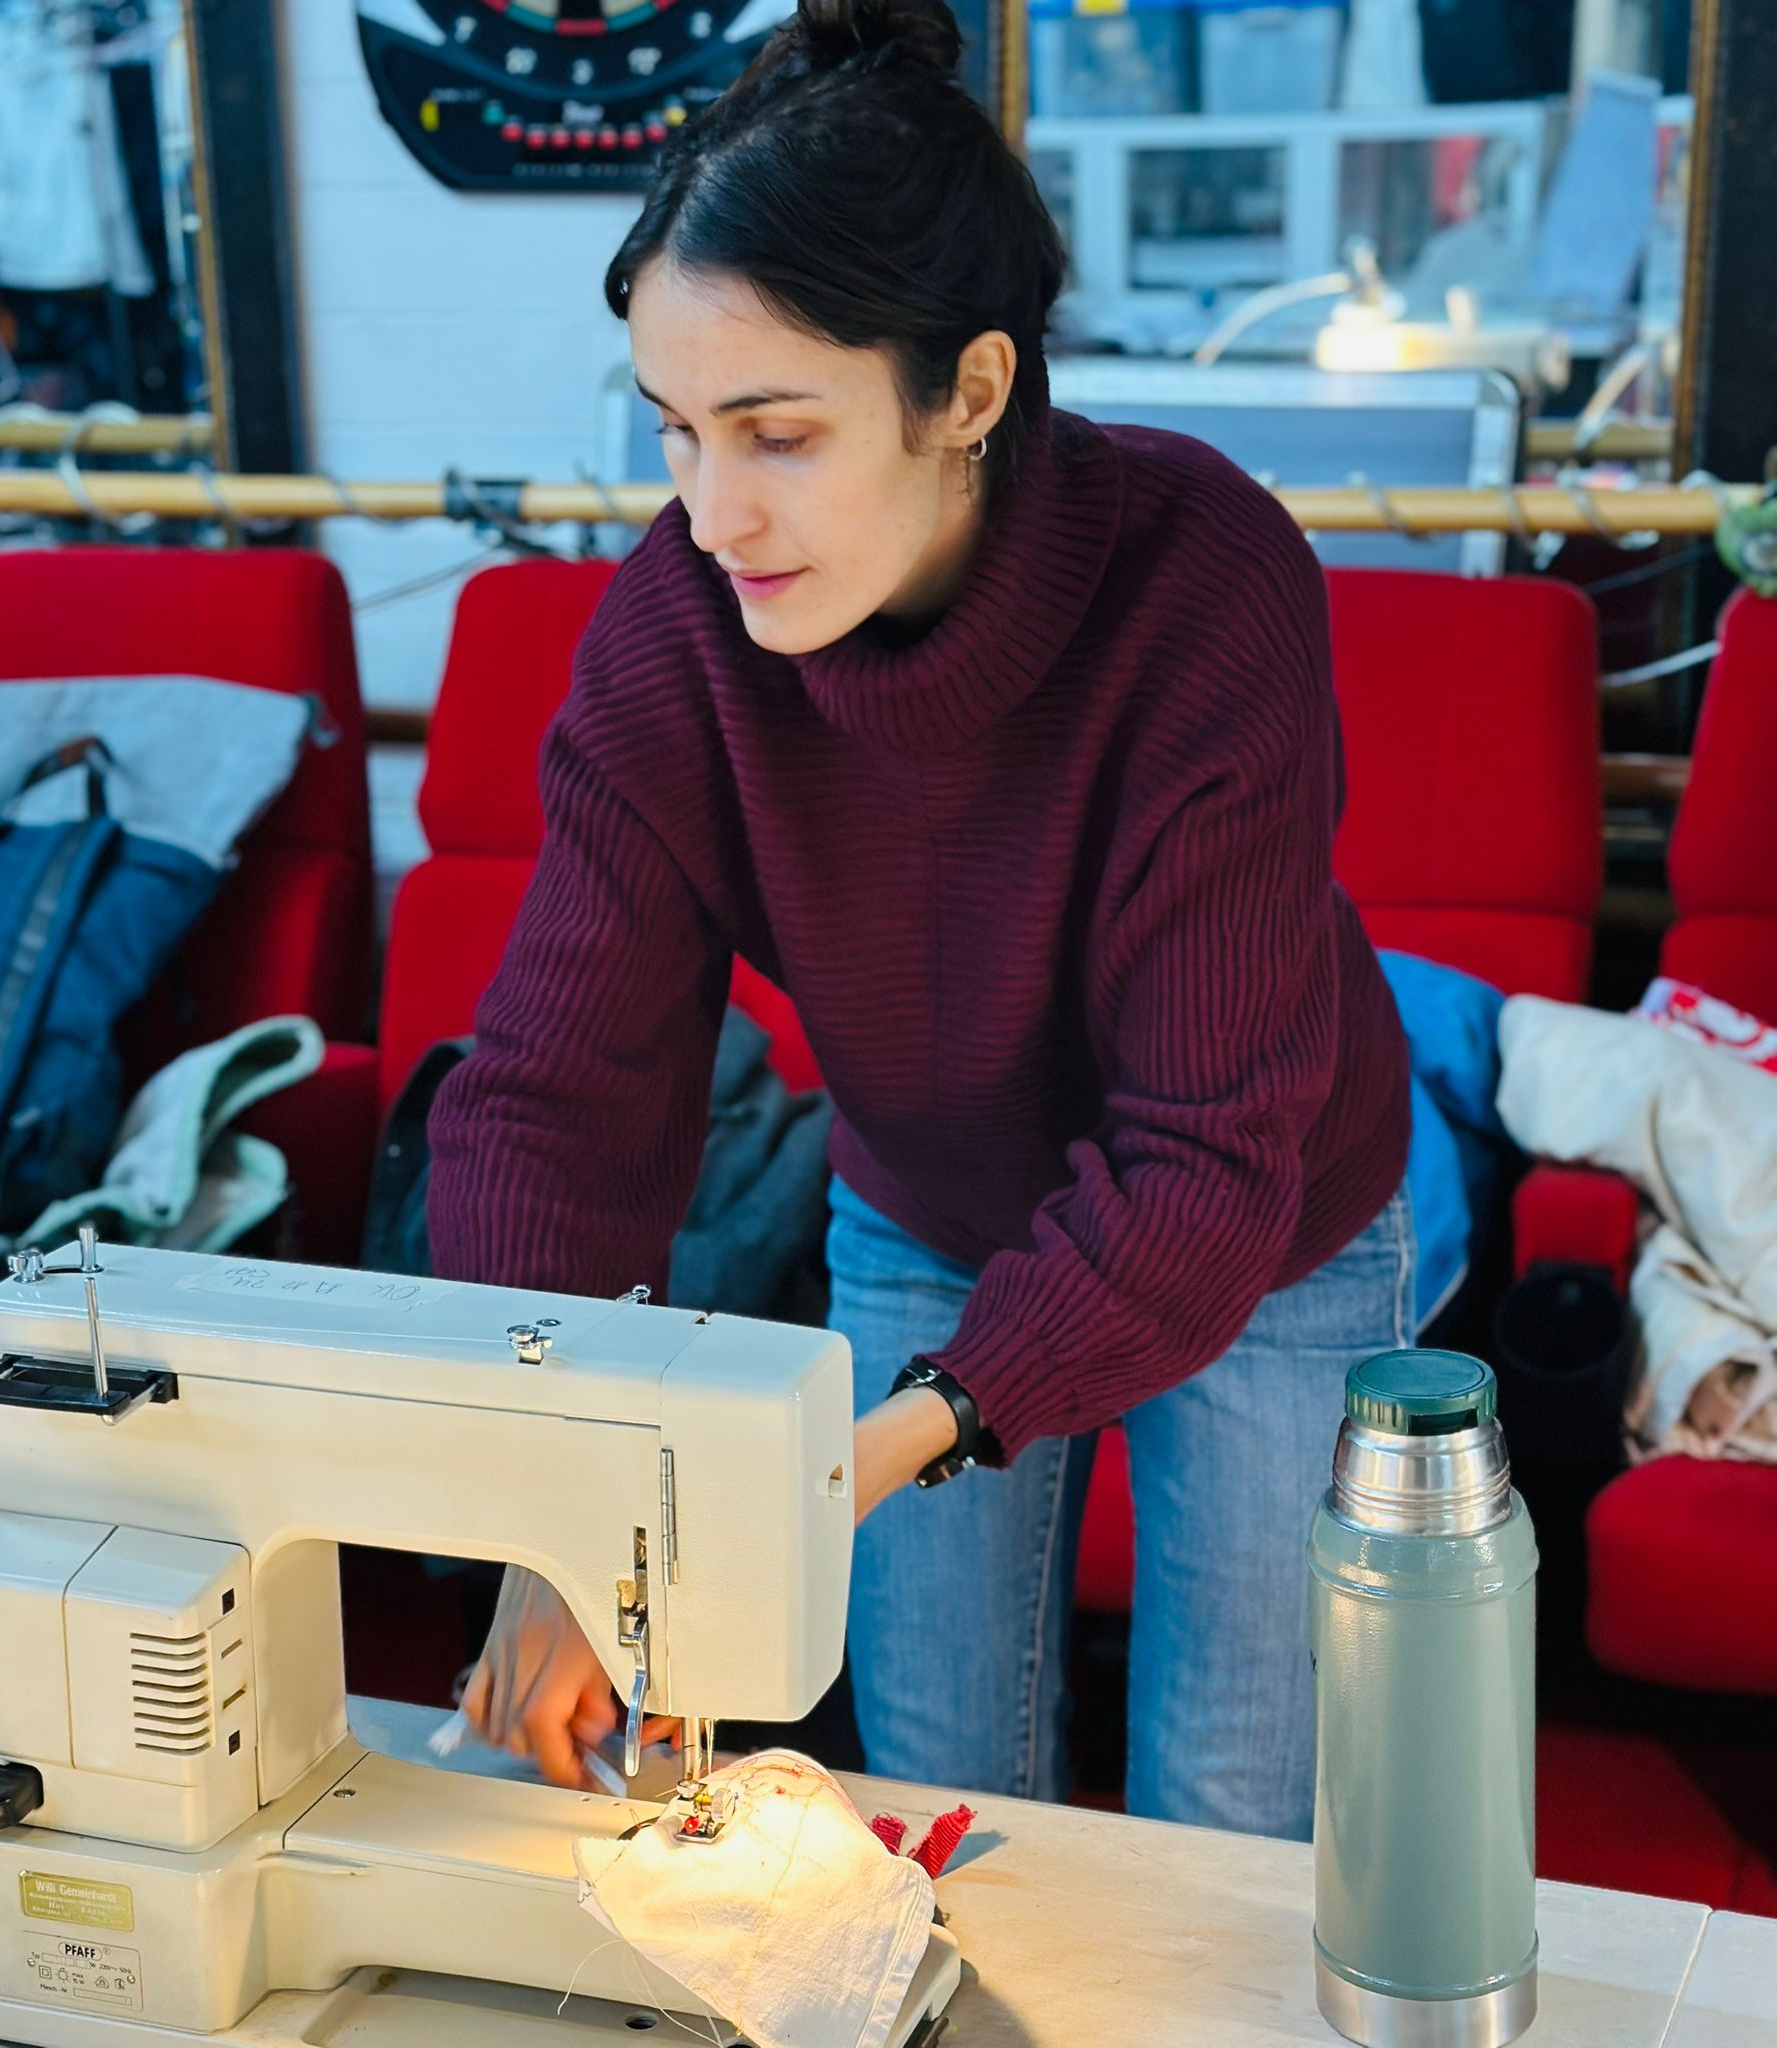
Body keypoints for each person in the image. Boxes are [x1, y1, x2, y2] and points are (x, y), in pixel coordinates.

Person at [427, 0, 1413, 1837]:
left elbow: (1206, 1164)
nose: (713, 516)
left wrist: (858, 1451)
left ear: (967, 391)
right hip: (929, 1202)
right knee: (944, 1797)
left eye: (779, 435)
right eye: (677, 434)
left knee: (1231, 1822)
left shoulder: (1205, 582)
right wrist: (555, 1507)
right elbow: (559, 1098)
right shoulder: (681, 627)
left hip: (1272, 1226)